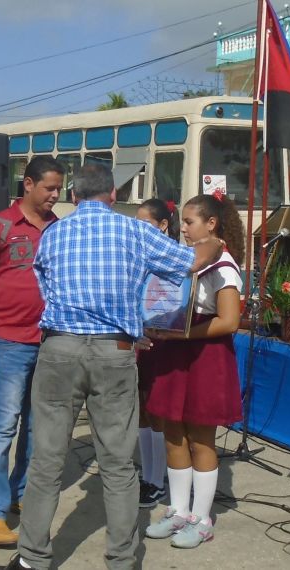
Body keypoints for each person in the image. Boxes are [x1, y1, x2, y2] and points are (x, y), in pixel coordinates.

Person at [7, 164, 224, 570]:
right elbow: (190, 263)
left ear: (74, 195)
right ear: (112, 195)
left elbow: (44, 291)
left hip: (58, 350)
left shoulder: (52, 234)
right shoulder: (135, 231)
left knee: (47, 461)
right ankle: (122, 561)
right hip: (114, 353)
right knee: (119, 465)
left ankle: (32, 558)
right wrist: (211, 244)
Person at [0, 156, 64, 547]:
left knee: (39, 428)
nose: (55, 196)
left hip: (51, 343)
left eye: (59, 189)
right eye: (49, 189)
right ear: (27, 184)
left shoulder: (59, 230)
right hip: (8, 343)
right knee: (3, 427)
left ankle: (22, 494)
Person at [143, 192, 245, 549]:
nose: (183, 229)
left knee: (201, 438)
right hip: (177, 352)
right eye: (183, 222)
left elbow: (229, 321)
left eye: (189, 222)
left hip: (206, 356)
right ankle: (178, 510)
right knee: (173, 432)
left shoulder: (224, 267)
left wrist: (183, 332)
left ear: (211, 224)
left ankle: (202, 520)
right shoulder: (185, 261)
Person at [134, 198, 180, 509]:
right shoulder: (137, 254)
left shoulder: (174, 256)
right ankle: (146, 476)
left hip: (167, 338)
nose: (139, 229)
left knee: (159, 408)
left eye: (146, 224)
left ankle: (157, 479)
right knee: (142, 406)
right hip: (141, 337)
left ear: (163, 225)